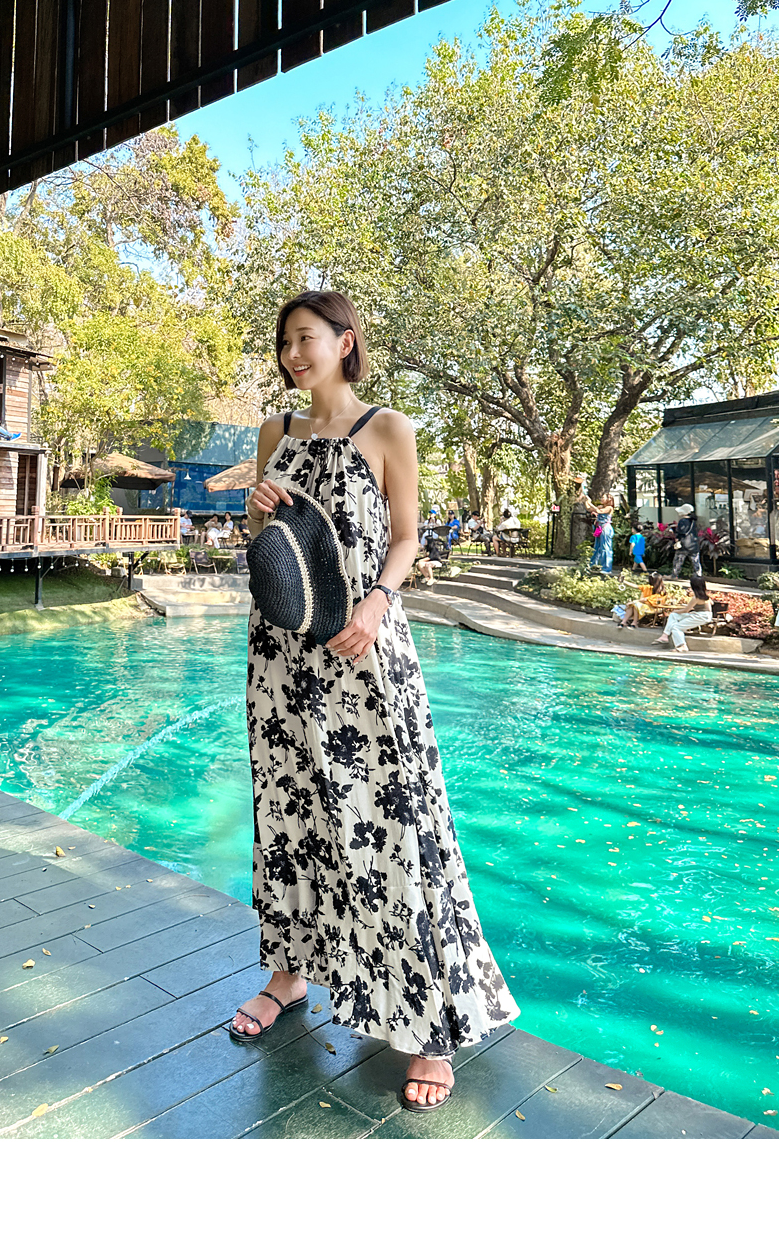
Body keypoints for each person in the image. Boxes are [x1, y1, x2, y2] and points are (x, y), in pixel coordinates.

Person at [231, 289, 520, 1111]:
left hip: (365, 648)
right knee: (290, 817)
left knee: (393, 823)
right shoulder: (275, 433)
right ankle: (289, 974)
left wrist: (377, 603)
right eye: (285, 341)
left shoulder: (388, 428)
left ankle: (428, 1024)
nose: (293, 353)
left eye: (307, 337)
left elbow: (405, 537)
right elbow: (269, 545)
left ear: (345, 341)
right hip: (282, 656)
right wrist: (252, 510)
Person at [653, 574, 713, 652]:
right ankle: (665, 635)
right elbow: (710, 603)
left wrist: (675, 610)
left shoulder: (696, 597)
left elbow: (686, 610)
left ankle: (682, 646)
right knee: (674, 615)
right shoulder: (704, 595)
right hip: (701, 614)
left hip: (702, 616)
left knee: (676, 628)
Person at [582, 491, 614, 573]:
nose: (601, 499)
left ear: (608, 499)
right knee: (597, 547)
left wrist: (590, 503)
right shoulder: (601, 506)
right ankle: (593, 565)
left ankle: (607, 568)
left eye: (603, 497)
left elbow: (600, 512)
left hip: (605, 528)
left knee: (605, 548)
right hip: (599, 528)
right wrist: (586, 501)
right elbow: (589, 509)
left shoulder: (609, 508)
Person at [671, 503, 702, 580]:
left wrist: (674, 532)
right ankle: (699, 577)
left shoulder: (682, 521)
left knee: (678, 561)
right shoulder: (693, 521)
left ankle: (674, 575)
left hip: (684, 544)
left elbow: (681, 532)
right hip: (693, 544)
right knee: (696, 562)